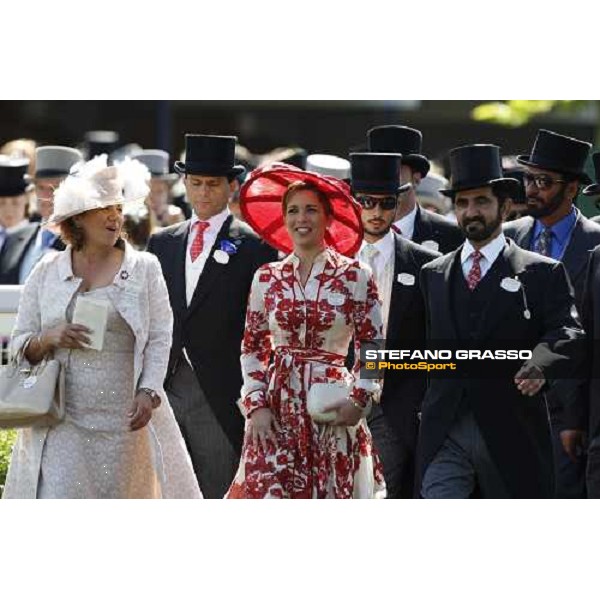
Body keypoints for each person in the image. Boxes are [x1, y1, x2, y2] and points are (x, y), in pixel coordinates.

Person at [2, 155, 201, 499]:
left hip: (126, 423)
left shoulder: (144, 268)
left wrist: (149, 391)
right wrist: (49, 338)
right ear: (78, 217)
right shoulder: (46, 270)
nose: (115, 216)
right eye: (103, 207)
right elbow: (19, 343)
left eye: (118, 207)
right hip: (59, 420)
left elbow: (159, 337)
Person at [417, 144, 584, 498]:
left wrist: (541, 363)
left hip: (513, 429)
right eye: (462, 203)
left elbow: (567, 330)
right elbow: (415, 344)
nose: (470, 212)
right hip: (445, 428)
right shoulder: (433, 273)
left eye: (481, 202)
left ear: (505, 206)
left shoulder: (542, 272)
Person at [227, 163, 385, 498]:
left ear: (329, 218)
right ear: (283, 219)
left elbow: (372, 345)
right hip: (275, 409)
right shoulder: (266, 277)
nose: (302, 218)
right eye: (294, 210)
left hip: (331, 408)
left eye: (312, 210)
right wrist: (256, 405)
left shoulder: (357, 275)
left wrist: (359, 400)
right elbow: (252, 347)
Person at [147, 134, 277, 499]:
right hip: (169, 384)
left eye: (213, 184)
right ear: (185, 183)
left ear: (232, 186)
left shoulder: (255, 247)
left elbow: (264, 325)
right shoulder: (162, 242)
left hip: (223, 389)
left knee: (218, 489)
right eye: (196, 183)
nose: (203, 192)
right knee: (165, 489)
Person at [503, 129, 600, 498]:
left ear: (572, 189)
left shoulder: (595, 243)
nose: (531, 188)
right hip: (508, 401)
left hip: (568, 411)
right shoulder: (508, 236)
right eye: (528, 178)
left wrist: (574, 417)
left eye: (543, 181)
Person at [350, 152, 440, 498]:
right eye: (366, 202)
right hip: (335, 400)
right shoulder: (331, 256)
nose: (376, 212)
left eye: (386, 203)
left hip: (397, 406)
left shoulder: (427, 265)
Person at [367, 125, 464, 253]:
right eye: (378, 170)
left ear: (416, 179)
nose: (384, 179)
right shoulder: (351, 232)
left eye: (393, 170)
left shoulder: (452, 235)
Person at [0, 146, 81, 284]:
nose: (45, 196)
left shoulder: (83, 242)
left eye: (54, 188)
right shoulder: (14, 238)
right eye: (41, 187)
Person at [0, 155, 32, 237]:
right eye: (1, 203)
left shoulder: (38, 239)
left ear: (26, 199)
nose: (8, 210)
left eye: (16, 203)